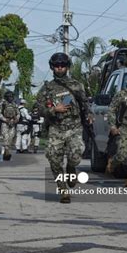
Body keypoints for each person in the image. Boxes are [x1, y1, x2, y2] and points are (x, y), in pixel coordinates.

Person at [37, 53, 91, 204]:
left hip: (74, 126)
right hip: (56, 128)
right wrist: (54, 110)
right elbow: (40, 109)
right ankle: (63, 190)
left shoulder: (76, 85)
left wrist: (90, 115)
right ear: (52, 67)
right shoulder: (47, 88)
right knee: (54, 159)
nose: (60, 68)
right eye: (57, 66)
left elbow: (85, 103)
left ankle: (71, 169)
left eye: (63, 65)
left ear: (67, 67)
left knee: (76, 154)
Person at [0, 90, 20, 161]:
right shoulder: (2, 104)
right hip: (5, 122)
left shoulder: (14, 104)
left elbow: (18, 113)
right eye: (9, 97)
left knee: (11, 137)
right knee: (6, 136)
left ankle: (7, 150)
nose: (10, 98)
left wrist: (17, 119)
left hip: (12, 122)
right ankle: (7, 151)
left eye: (12, 97)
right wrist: (4, 119)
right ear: (6, 97)